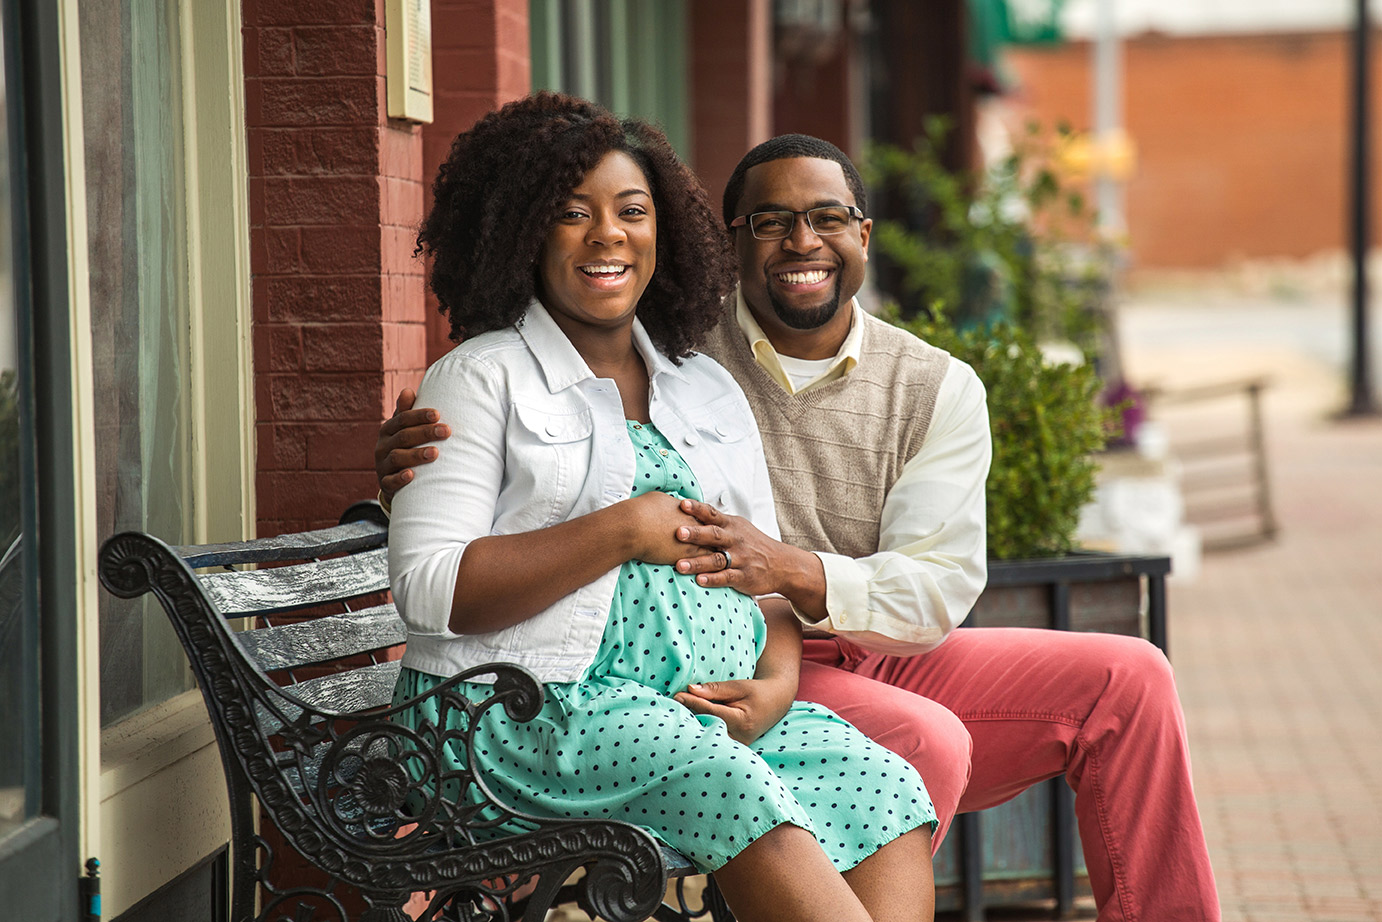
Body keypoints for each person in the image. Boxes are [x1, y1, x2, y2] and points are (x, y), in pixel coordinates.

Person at [380, 131, 1220, 922]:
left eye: (826, 219)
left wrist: (789, 586)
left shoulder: (911, 384)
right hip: (615, 686)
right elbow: (479, 528)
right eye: (771, 223)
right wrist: (403, 477)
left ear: (864, 233)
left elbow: (935, 588)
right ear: (729, 243)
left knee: (1127, 678)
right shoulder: (680, 347)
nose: (801, 243)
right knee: (919, 744)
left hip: (828, 637)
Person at [387, 95, 937, 922]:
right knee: (735, 790)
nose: (608, 234)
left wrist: (778, 686)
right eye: (572, 214)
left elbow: (766, 579)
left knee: (882, 785)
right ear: (524, 234)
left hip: (692, 713)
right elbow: (429, 589)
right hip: (526, 712)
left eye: (631, 212)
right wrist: (621, 530)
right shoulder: (482, 376)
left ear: (663, 234)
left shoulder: (701, 387)